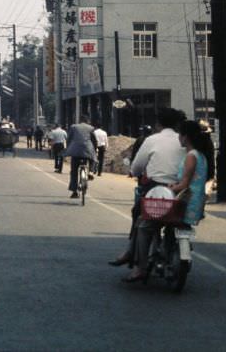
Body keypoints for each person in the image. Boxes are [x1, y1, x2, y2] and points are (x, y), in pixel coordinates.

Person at [124, 119, 210, 282]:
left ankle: (140, 267)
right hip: (195, 204)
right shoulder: (201, 155)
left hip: (184, 203)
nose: (178, 139)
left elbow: (184, 183)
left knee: (144, 224)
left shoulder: (191, 156)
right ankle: (166, 253)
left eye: (180, 136)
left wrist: (168, 190)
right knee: (170, 227)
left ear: (185, 137)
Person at [109, 108, 185, 268]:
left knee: (139, 215)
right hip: (183, 191)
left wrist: (135, 173)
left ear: (158, 124)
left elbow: (137, 167)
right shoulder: (186, 141)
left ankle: (136, 259)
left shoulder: (151, 140)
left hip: (156, 190)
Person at [64, 115, 97, 199]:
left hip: (75, 151)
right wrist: (95, 149)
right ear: (87, 121)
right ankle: (91, 172)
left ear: (80, 121)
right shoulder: (91, 128)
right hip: (87, 149)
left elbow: (69, 139)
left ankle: (74, 192)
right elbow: (94, 141)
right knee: (93, 158)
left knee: (74, 171)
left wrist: (68, 148)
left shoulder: (73, 127)